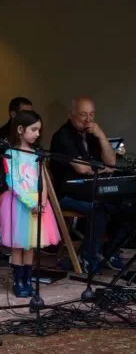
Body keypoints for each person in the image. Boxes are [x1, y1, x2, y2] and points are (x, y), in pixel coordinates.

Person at [50, 97, 131, 273]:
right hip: (68, 194)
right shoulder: (62, 136)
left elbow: (111, 162)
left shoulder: (92, 134)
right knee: (100, 208)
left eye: (92, 114)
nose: (88, 119)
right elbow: (82, 169)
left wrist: (101, 136)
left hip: (93, 190)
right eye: (83, 115)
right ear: (71, 115)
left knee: (128, 204)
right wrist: (103, 169)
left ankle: (109, 250)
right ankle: (87, 256)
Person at [0, 110, 61, 297]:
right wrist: (29, 202)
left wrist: (42, 200)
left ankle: (28, 280)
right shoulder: (10, 153)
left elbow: (42, 178)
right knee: (19, 245)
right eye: (33, 129)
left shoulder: (37, 154)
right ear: (20, 129)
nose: (37, 134)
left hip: (37, 201)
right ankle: (18, 282)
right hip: (20, 204)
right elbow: (12, 182)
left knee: (30, 245)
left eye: (39, 130)